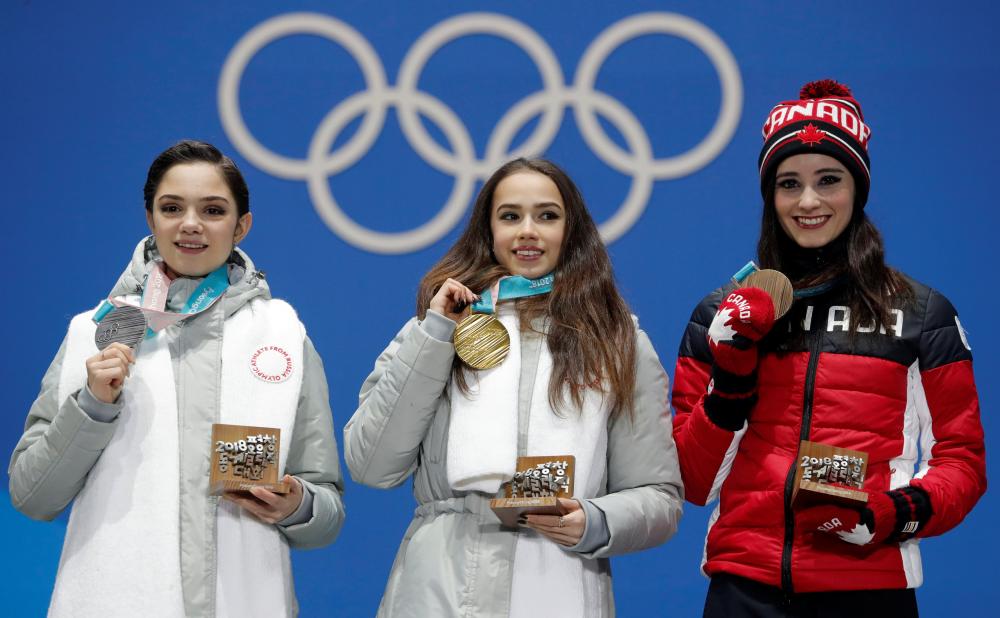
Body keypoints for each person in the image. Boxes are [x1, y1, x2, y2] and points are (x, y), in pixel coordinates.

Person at [672, 80, 987, 616]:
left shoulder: (922, 313)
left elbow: (963, 463)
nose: (809, 201)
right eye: (789, 183)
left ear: (858, 190)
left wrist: (893, 513)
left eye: (829, 180)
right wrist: (730, 382)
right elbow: (693, 482)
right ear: (771, 197)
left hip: (871, 587)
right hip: (743, 590)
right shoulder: (720, 314)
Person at [8, 140, 345, 617]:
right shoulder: (94, 333)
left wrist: (295, 505)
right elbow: (32, 494)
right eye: (172, 208)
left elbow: (326, 514)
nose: (190, 223)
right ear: (151, 219)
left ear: (241, 225)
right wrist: (92, 406)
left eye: (212, 209)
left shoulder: (282, 334)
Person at [344, 157, 683, 617]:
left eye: (547, 215)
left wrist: (597, 521)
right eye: (510, 216)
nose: (528, 231)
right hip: (438, 589)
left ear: (573, 230)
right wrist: (437, 334)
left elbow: (658, 497)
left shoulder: (618, 340)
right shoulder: (437, 328)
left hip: (560, 582)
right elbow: (371, 463)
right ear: (488, 231)